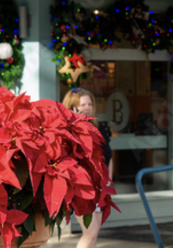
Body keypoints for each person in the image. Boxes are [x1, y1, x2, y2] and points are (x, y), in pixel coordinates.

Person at [62, 87, 112, 248]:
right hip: (83, 189)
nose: (87, 107)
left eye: (90, 104)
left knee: (94, 234)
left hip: (100, 188)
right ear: (72, 107)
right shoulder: (70, 132)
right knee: (90, 234)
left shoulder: (99, 128)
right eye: (82, 104)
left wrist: (108, 182)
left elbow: (108, 156)